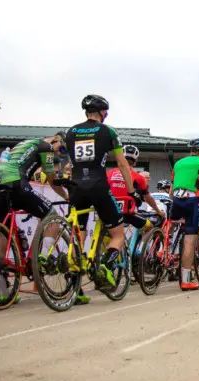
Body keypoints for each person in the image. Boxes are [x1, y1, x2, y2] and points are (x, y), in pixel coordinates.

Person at [64, 94, 139, 303]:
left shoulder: (71, 132)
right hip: (98, 185)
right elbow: (123, 164)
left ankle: (75, 290)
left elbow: (70, 164)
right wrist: (131, 191)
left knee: (77, 235)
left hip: (76, 187)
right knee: (118, 233)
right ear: (102, 112)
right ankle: (105, 265)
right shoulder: (108, 131)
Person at [0, 132, 70, 304]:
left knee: (4, 231)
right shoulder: (47, 147)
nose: (59, 154)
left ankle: (5, 293)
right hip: (17, 182)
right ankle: (42, 257)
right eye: (62, 149)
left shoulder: (25, 143)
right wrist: (66, 197)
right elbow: (51, 179)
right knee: (52, 215)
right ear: (56, 140)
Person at [170, 138, 199, 290]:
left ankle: (163, 252)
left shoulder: (178, 163)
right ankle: (186, 280)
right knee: (189, 240)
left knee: (172, 225)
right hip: (193, 201)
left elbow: (171, 189)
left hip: (176, 200)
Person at [106, 145, 165, 232]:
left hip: (107, 210)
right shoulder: (138, 177)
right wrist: (158, 211)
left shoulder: (109, 173)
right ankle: (140, 245)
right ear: (135, 161)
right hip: (126, 213)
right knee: (149, 227)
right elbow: (148, 198)